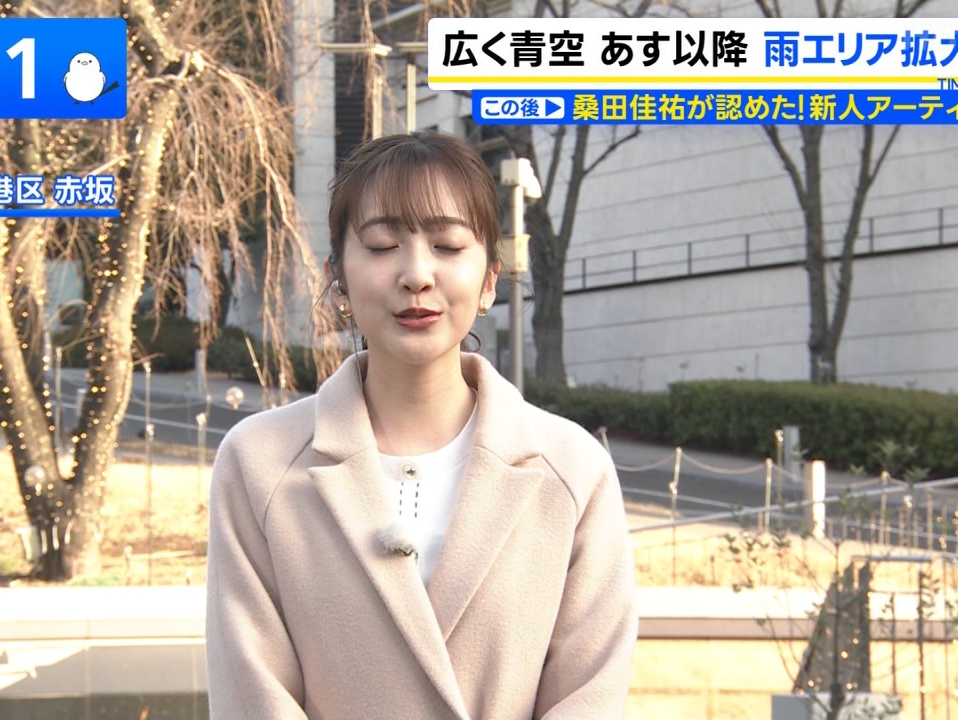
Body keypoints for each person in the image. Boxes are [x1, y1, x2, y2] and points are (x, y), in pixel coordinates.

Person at [205, 131, 636, 720]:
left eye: (448, 245)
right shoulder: (259, 463)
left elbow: (590, 695)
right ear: (338, 279)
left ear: (490, 279)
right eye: (382, 245)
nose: (416, 274)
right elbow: (251, 694)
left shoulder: (572, 471)